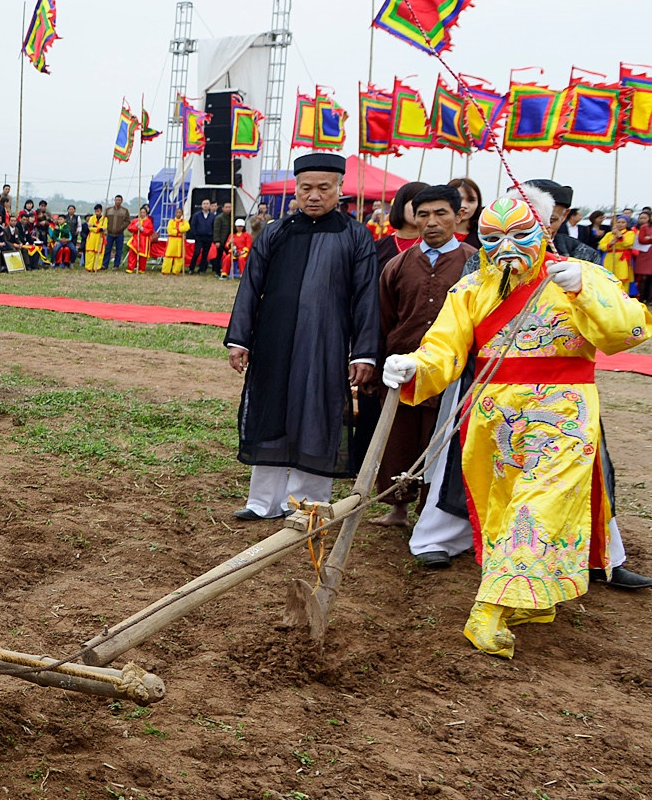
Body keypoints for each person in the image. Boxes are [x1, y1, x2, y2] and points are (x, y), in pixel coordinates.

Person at [382, 193, 652, 658]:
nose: (507, 247)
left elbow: (629, 331)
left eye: (520, 235)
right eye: (492, 238)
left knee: (538, 508)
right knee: (504, 511)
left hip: (563, 414)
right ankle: (531, 597)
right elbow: (443, 350)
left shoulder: (580, 275)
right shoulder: (470, 289)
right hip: (492, 418)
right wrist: (411, 366)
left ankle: (489, 607)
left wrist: (584, 287)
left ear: (544, 231)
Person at [225, 153, 382, 520]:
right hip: (273, 340)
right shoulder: (276, 232)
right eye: (306, 188)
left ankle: (306, 503)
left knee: (318, 412)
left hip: (325, 342)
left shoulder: (355, 235)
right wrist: (240, 339)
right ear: (296, 188)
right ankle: (262, 502)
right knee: (269, 411)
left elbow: (366, 298)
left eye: (323, 188)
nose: (314, 196)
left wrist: (364, 353)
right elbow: (250, 287)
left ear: (339, 189)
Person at [369, 184, 466, 529]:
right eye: (423, 214)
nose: (432, 222)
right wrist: (377, 364)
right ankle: (397, 509)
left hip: (451, 375)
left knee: (439, 443)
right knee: (399, 441)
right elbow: (384, 318)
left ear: (459, 215)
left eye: (441, 213)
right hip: (402, 369)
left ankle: (434, 515)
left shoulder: (473, 264)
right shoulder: (397, 265)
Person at [103, 196, 131, 269]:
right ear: (114, 200)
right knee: (107, 249)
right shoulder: (108, 210)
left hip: (120, 234)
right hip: (110, 233)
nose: (117, 201)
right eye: (116, 200)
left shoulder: (125, 210)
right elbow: (104, 220)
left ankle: (116, 265)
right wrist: (107, 227)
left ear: (121, 201)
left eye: (119, 200)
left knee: (119, 250)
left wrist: (121, 228)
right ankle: (105, 264)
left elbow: (128, 221)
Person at [160, 207, 188, 275]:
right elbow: (170, 230)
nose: (178, 214)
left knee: (179, 256)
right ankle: (166, 270)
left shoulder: (184, 221)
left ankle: (176, 270)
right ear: (175, 213)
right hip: (172, 240)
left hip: (180, 240)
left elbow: (186, 227)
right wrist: (178, 231)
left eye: (180, 212)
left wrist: (178, 229)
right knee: (168, 255)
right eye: (177, 212)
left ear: (182, 213)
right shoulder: (171, 221)